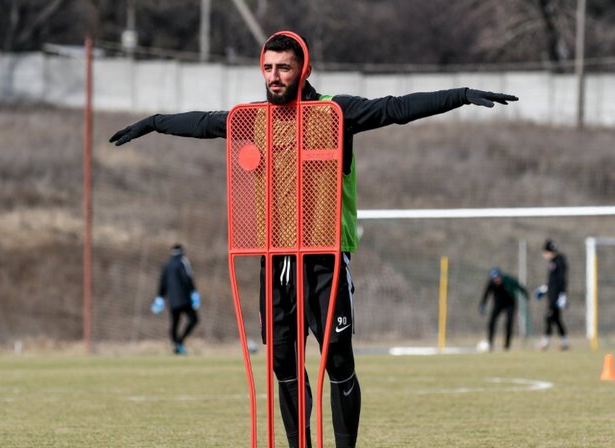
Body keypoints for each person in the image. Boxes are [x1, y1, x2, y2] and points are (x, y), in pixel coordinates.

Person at [110, 31, 518, 448]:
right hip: (275, 258)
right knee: (282, 364)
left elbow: (396, 109)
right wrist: (156, 122)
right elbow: (204, 123)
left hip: (324, 259)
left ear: (304, 69)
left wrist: (462, 94)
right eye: (267, 67)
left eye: (283, 67)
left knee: (338, 361)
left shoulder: (335, 113)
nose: (273, 76)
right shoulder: (252, 120)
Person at [151, 243, 200, 355]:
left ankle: (176, 345)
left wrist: (160, 297)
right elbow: (188, 279)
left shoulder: (166, 265)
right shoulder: (183, 262)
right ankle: (179, 343)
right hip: (184, 299)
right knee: (193, 320)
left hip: (172, 300)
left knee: (174, 323)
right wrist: (193, 292)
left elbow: (162, 283)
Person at [479, 267, 528, 351]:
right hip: (498, 304)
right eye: (494, 278)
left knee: (509, 323)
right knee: (492, 321)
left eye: (498, 277)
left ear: (500, 276)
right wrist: (483, 304)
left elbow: (519, 286)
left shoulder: (508, 280)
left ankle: (506, 346)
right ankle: (490, 343)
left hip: (510, 303)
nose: (496, 280)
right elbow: (486, 293)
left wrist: (525, 294)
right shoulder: (491, 283)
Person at [534, 239, 569, 351]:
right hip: (552, 294)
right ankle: (564, 341)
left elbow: (562, 280)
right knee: (556, 318)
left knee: (549, 317)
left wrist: (563, 294)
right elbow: (552, 281)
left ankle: (545, 342)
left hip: (556, 296)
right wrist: (545, 289)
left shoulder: (558, 261)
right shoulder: (553, 262)